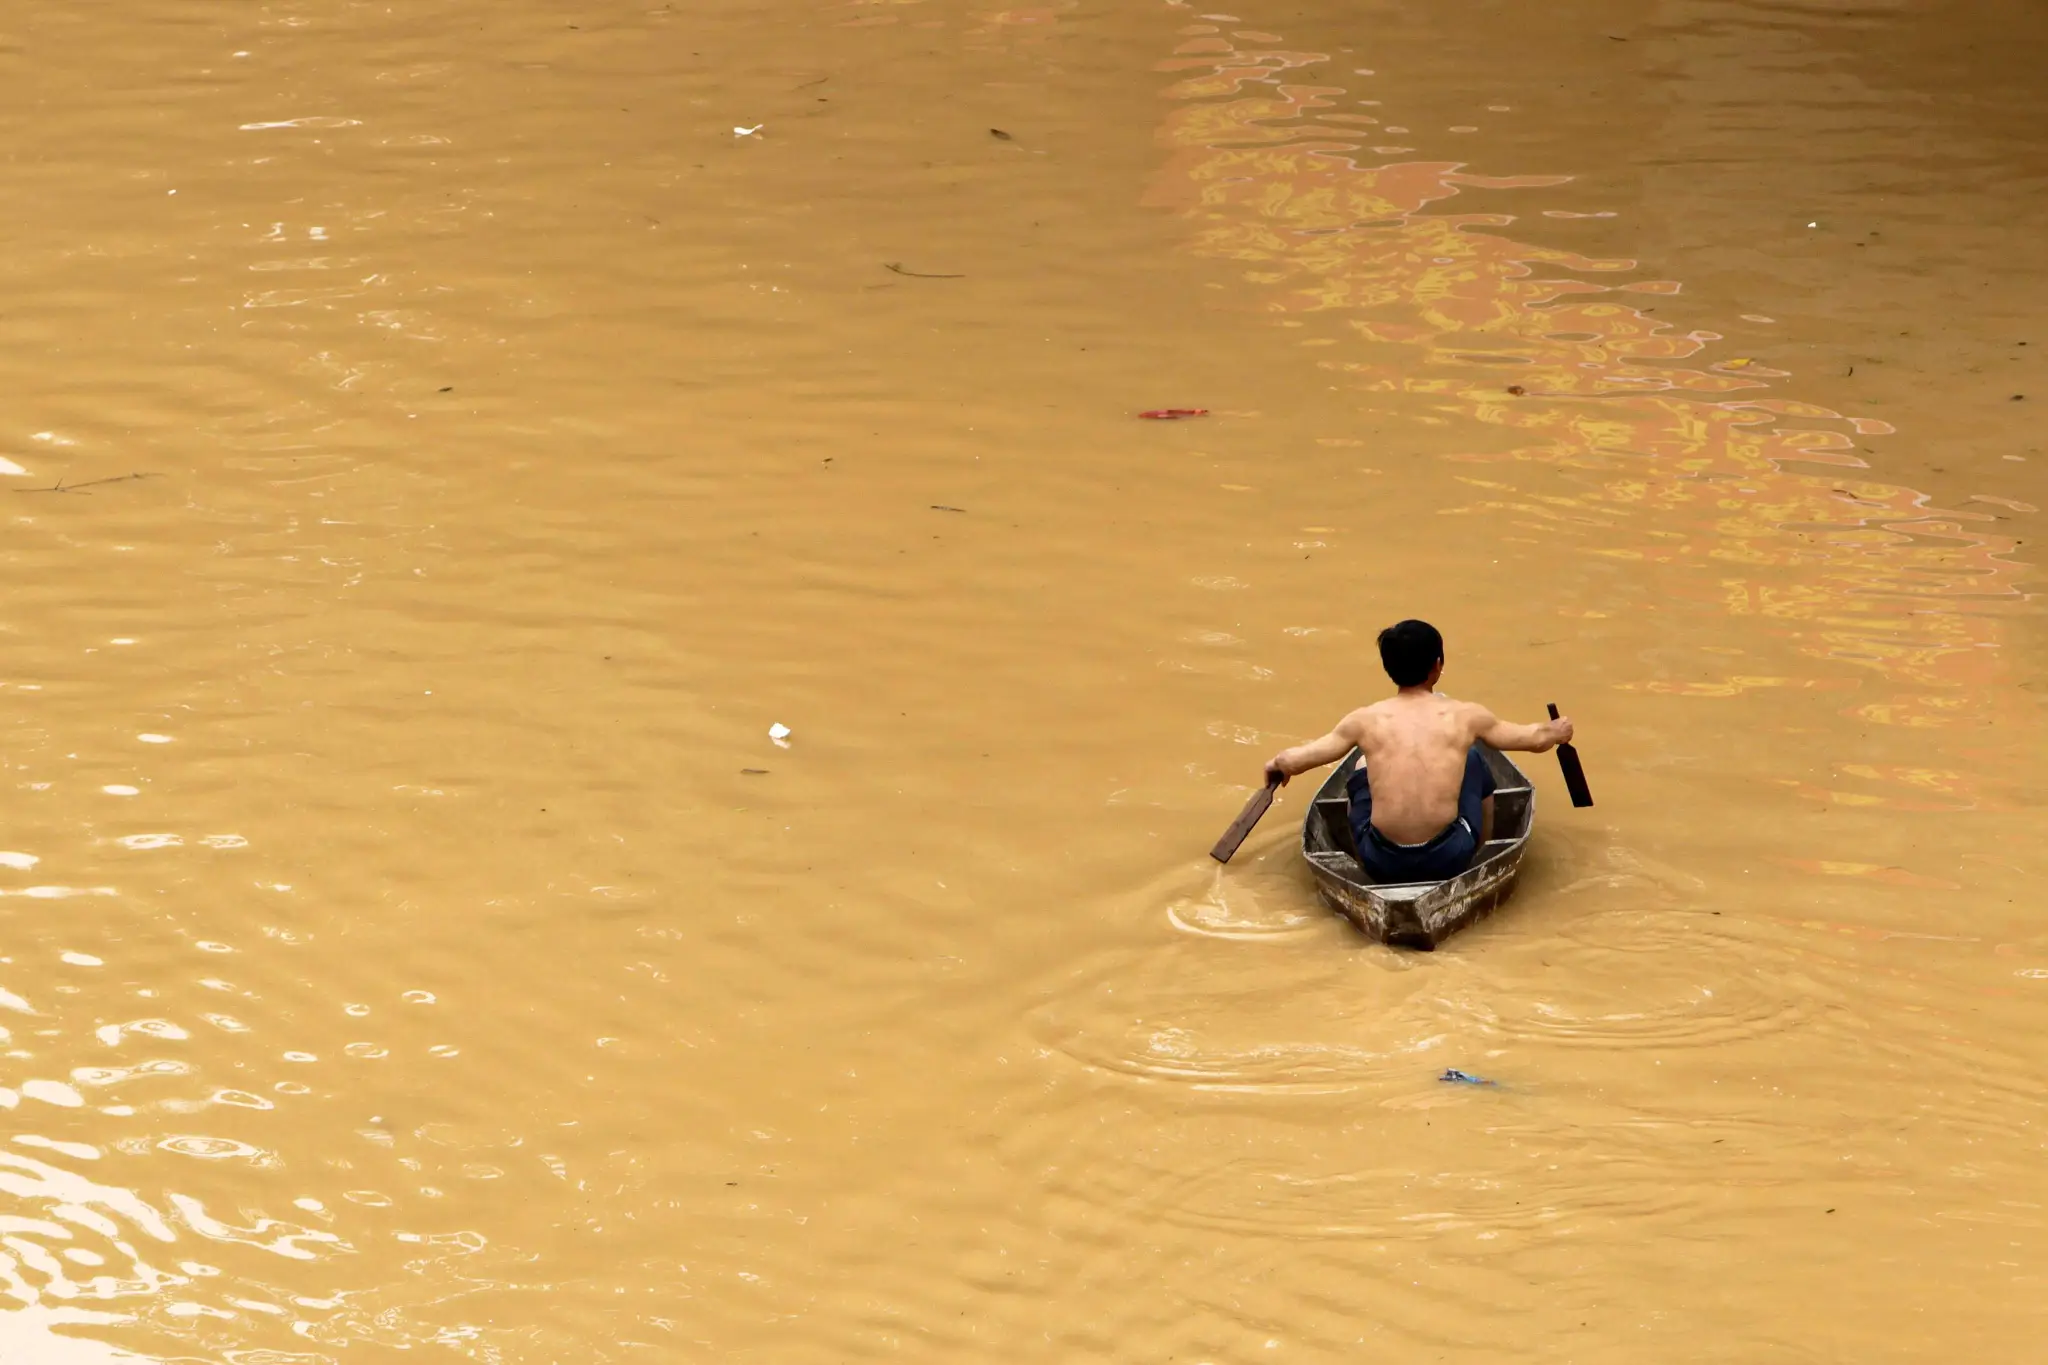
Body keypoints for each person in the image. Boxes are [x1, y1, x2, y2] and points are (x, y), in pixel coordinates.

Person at [1261, 619, 1573, 884]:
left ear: (1388, 668)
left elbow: (1298, 760)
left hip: (1382, 861)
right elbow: (1534, 740)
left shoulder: (1364, 720)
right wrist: (1557, 731)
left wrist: (1278, 764)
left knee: (1358, 768)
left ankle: (1362, 865)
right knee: (1474, 758)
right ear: (1437, 665)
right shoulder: (1465, 716)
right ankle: (1478, 856)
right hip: (1449, 857)